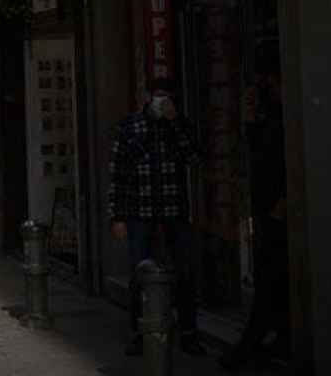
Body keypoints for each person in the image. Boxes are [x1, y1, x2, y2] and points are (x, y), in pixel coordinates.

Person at [108, 73, 208, 357]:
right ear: (146, 97)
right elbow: (118, 174)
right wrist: (117, 216)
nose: (161, 101)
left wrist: (175, 122)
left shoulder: (179, 125)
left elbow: (194, 159)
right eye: (157, 95)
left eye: (166, 95)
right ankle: (140, 333)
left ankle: (188, 332)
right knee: (140, 274)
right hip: (140, 213)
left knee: (184, 272)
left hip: (174, 211)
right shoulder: (130, 126)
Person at [222, 45, 290, 371]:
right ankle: (276, 339)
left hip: (279, 210)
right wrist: (250, 121)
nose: (265, 87)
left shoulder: (288, 114)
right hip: (264, 209)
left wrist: (284, 201)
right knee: (270, 277)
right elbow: (258, 154)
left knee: (270, 278)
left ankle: (253, 344)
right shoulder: (268, 115)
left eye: (267, 80)